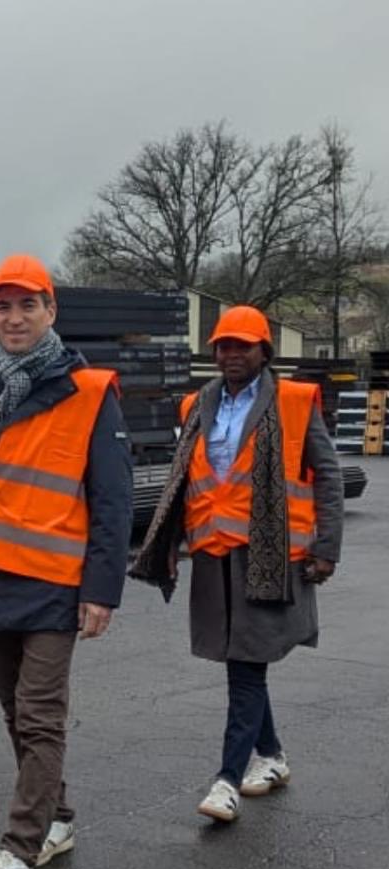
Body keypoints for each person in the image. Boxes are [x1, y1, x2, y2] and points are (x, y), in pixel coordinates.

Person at [0, 254, 133, 869]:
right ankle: (56, 820)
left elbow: (113, 499)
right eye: (2, 307)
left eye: (27, 305)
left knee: (40, 717)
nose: (13, 318)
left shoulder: (89, 392)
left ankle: (19, 850)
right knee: (17, 716)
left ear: (51, 311)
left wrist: (102, 590)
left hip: (53, 584)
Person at [131, 305, 343, 823]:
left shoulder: (294, 402)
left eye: (241, 346)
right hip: (213, 553)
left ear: (263, 352)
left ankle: (227, 779)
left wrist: (326, 548)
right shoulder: (196, 406)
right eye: (222, 345)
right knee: (240, 661)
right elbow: (187, 481)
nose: (229, 354)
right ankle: (271, 756)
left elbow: (329, 477)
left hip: (267, 555)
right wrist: (171, 547)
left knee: (246, 668)